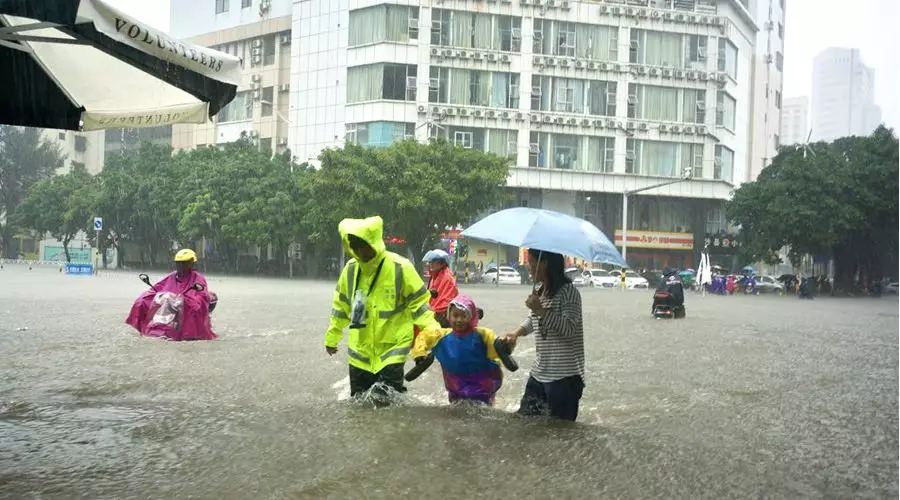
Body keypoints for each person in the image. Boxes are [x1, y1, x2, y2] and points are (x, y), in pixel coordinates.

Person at [325, 216, 441, 400]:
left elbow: (420, 306)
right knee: (359, 406)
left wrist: (433, 332)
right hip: (359, 353)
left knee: (387, 405)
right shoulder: (351, 269)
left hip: (392, 351)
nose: (360, 251)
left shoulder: (400, 267)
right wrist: (332, 336)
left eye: (364, 246)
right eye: (355, 247)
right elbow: (341, 306)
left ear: (374, 243)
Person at [504, 249, 585, 421]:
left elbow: (569, 329)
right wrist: (516, 333)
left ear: (545, 263)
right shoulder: (540, 291)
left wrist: (540, 310)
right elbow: (533, 320)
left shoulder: (569, 292)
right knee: (523, 423)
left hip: (564, 378)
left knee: (559, 430)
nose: (528, 267)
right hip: (539, 374)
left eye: (531, 262)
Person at [410, 295, 504, 405]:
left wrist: (506, 345)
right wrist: (420, 354)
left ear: (471, 317)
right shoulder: (441, 336)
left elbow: (496, 344)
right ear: (449, 316)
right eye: (455, 315)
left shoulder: (482, 334)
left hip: (482, 383)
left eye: (464, 316)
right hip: (455, 383)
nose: (459, 320)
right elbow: (424, 337)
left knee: (483, 407)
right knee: (456, 405)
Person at [125, 249, 218, 341]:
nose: (181, 266)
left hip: (184, 306)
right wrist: (146, 298)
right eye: (178, 263)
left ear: (192, 263)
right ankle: (150, 327)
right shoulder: (172, 276)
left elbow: (201, 296)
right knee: (142, 301)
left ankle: (184, 333)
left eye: (184, 263)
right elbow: (157, 288)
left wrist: (184, 300)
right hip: (167, 305)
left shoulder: (198, 278)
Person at [423, 249, 458, 328]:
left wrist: (432, 310)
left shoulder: (447, 278)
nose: (431, 264)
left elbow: (446, 301)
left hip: (442, 318)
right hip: (432, 313)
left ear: (442, 263)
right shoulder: (434, 276)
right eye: (430, 261)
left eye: (434, 261)